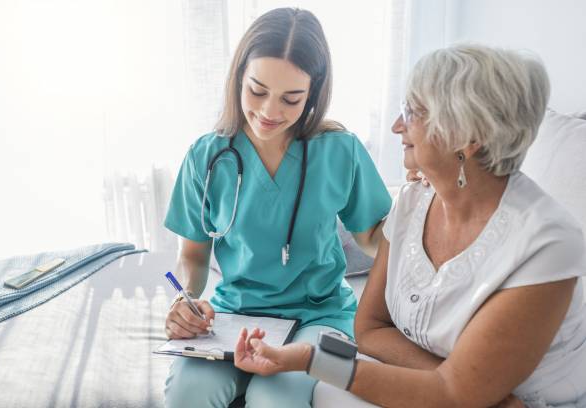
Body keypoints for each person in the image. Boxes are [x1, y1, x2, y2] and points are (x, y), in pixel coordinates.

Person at [233, 44, 586, 407]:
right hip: (472, 396)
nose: (397, 125)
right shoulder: (413, 201)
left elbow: (452, 396)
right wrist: (460, 381)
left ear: (468, 136)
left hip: (528, 402)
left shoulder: (546, 245)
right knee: (329, 394)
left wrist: (312, 359)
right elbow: (369, 329)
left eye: (413, 112)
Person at [163, 7, 392, 408]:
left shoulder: (340, 151)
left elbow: (375, 238)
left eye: (291, 98)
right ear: (238, 78)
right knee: (188, 394)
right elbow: (193, 256)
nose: (269, 112)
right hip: (234, 315)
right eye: (257, 90)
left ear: (314, 94)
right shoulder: (206, 156)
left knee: (275, 399)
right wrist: (185, 299)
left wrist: (430, 214)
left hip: (319, 317)